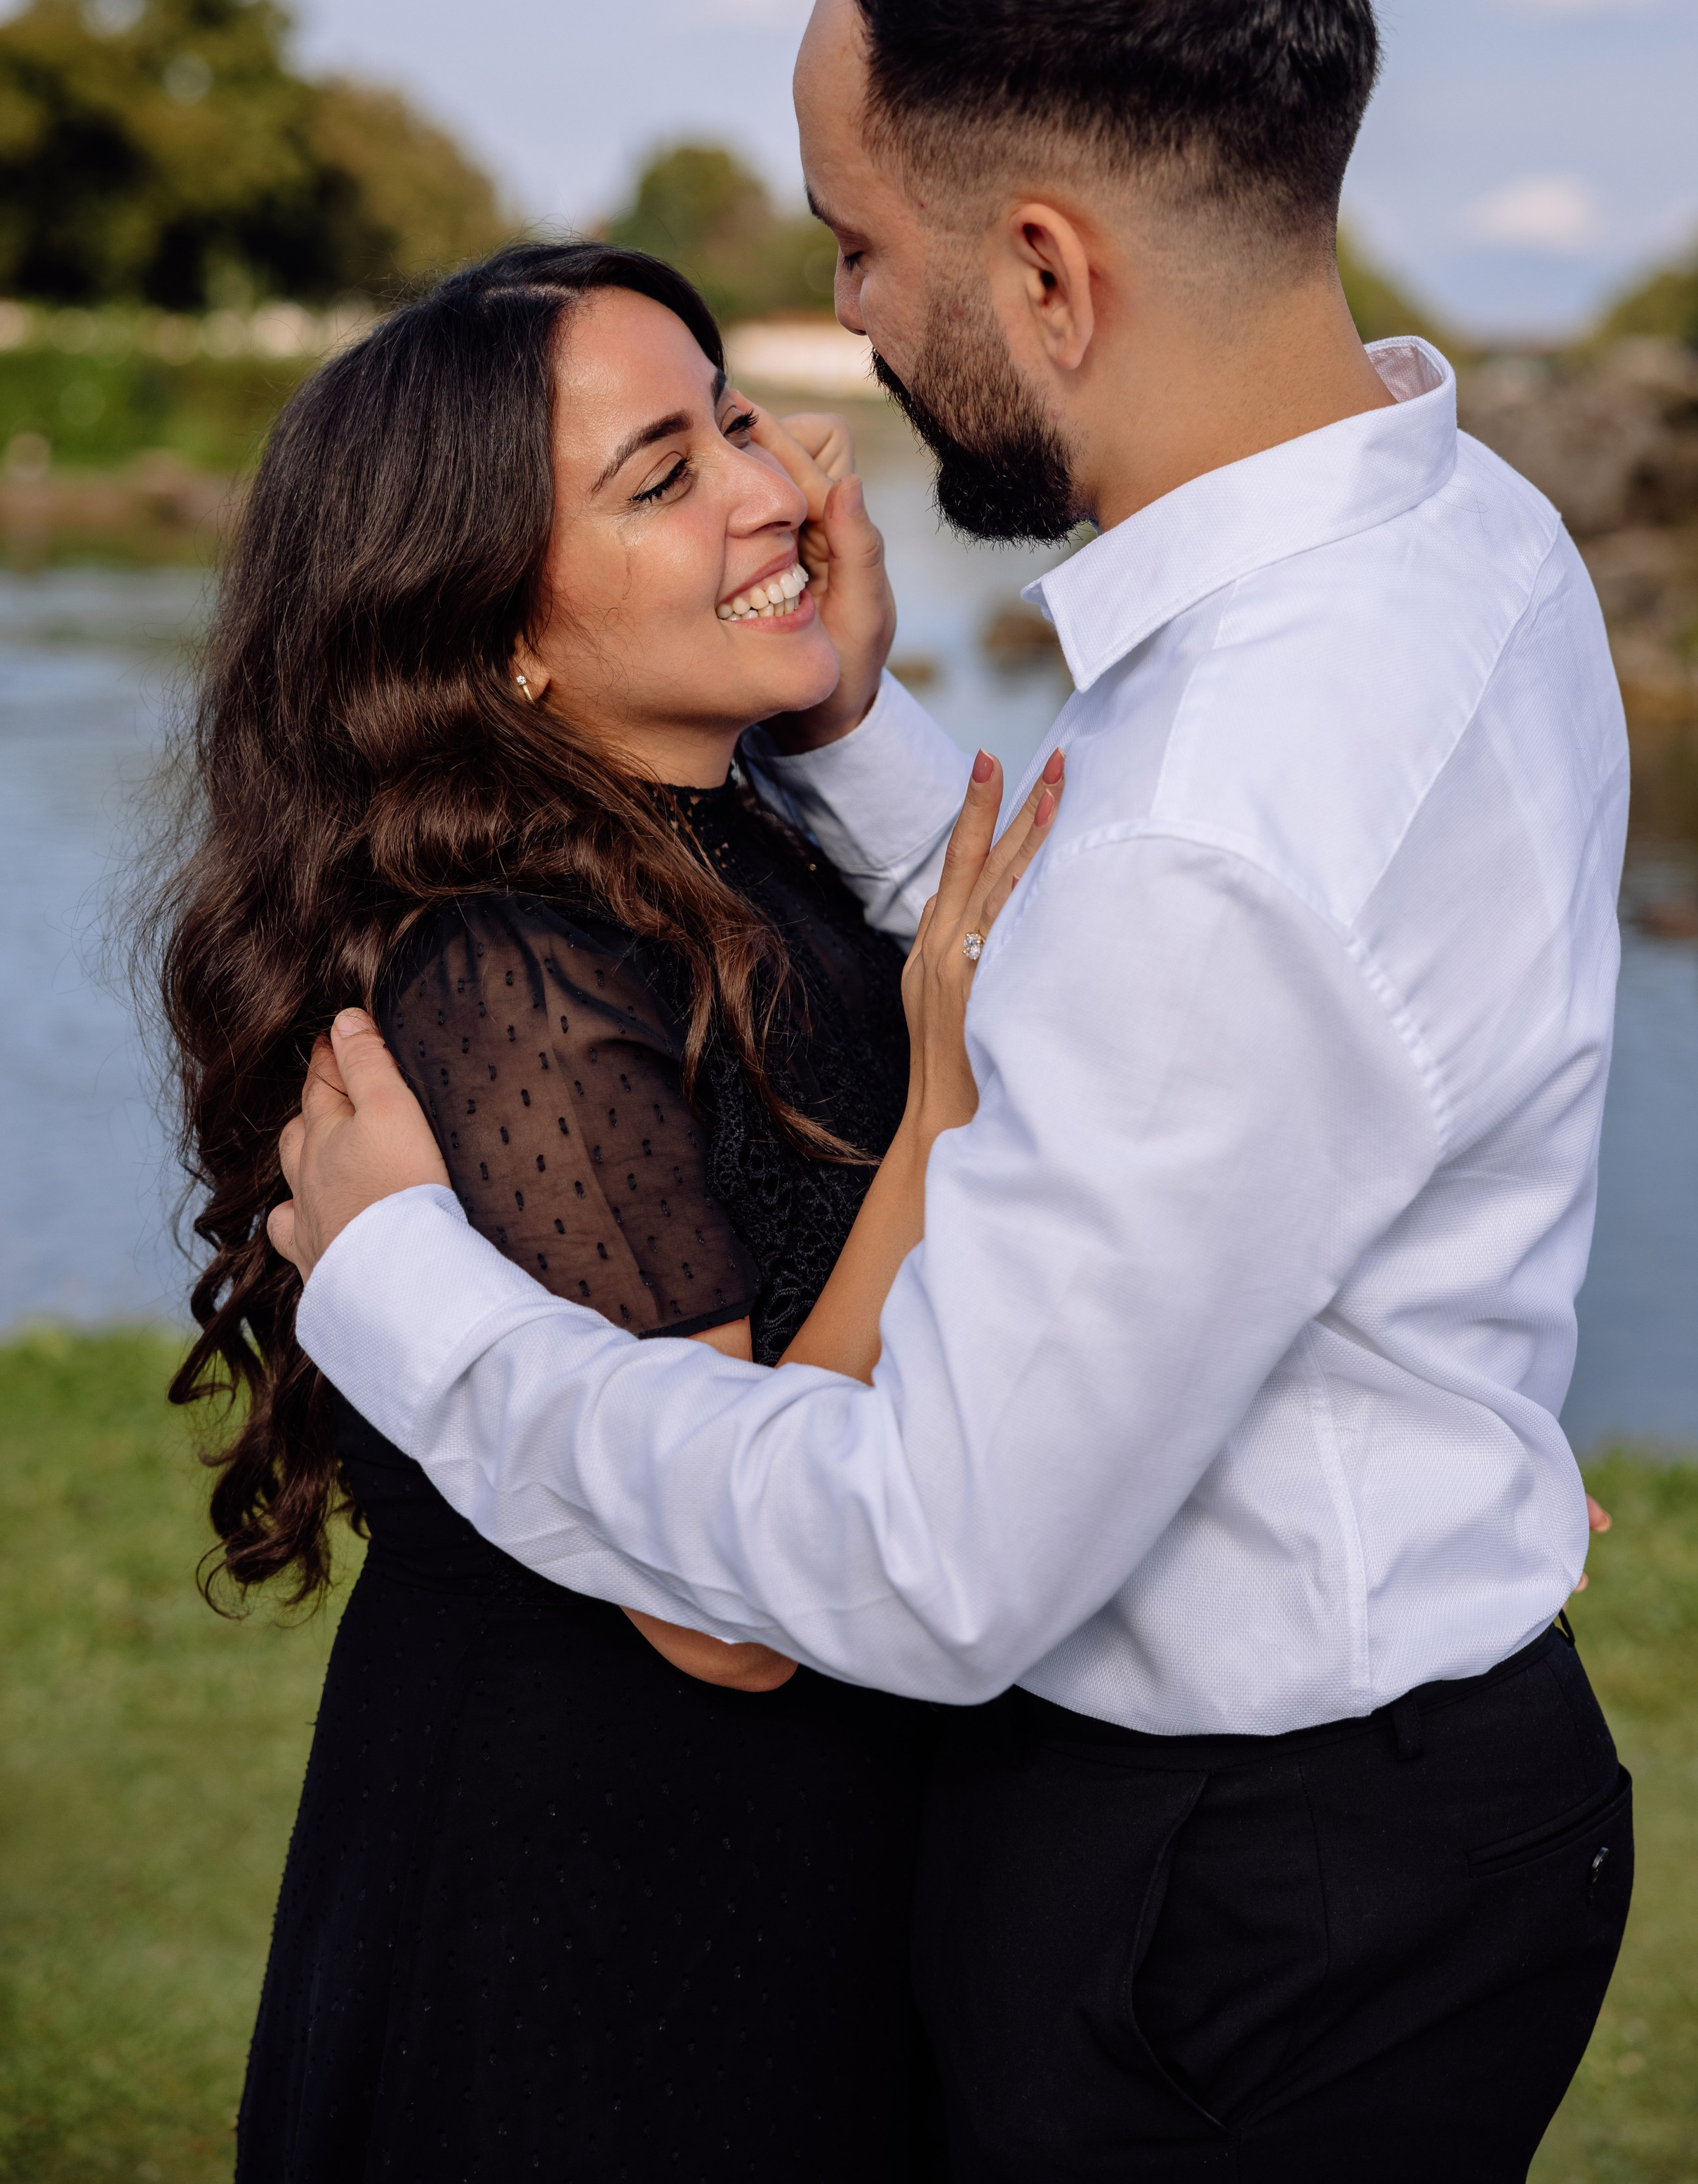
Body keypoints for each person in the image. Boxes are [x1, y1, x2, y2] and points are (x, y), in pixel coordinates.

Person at [279, 0, 1635, 2180]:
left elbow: (925, 1549)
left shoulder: (1219, 813)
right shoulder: (1463, 529)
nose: (842, 339)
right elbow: (1164, 1024)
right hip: (1351, 1814)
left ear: (1045, 274)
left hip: (1239, 1900)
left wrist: (416, 1313)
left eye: (857, 249)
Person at [154, 235, 1059, 2182]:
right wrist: (943, 1123)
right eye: (662, 479)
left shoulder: (730, 839)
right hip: (612, 1892)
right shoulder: (519, 979)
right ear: (502, 640)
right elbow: (717, 1615)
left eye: (735, 418)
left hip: (799, 1837)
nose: (770, 488)